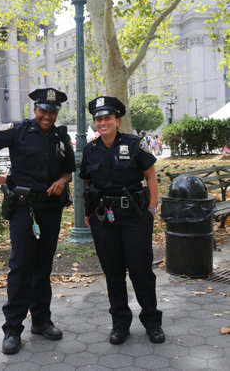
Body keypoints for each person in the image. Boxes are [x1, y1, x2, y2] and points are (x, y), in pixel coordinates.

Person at [0, 88, 76, 355]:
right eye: (43, 110)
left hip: (51, 209)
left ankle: (41, 321)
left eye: (52, 111)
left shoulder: (61, 137)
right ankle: (12, 329)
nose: (48, 115)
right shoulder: (17, 130)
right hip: (23, 209)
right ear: (35, 109)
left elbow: (68, 171)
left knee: (43, 267)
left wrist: (62, 181)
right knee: (20, 267)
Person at [79, 96, 164, 346]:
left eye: (107, 118)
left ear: (117, 120)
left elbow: (151, 177)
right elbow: (86, 182)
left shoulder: (135, 144)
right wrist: (88, 212)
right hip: (103, 218)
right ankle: (120, 324)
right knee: (113, 272)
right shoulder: (90, 150)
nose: (103, 122)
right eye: (98, 119)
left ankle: (152, 322)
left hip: (135, 216)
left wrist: (151, 209)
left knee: (141, 271)